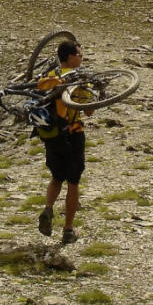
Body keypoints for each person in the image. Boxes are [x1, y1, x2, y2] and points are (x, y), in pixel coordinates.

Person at [35, 39, 93, 244]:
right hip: (73, 133)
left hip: (52, 135)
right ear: (69, 57)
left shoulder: (49, 77)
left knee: (56, 176)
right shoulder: (78, 78)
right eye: (79, 53)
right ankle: (68, 230)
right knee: (74, 182)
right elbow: (88, 109)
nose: (82, 56)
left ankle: (48, 208)